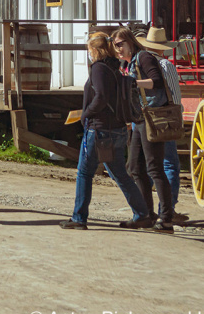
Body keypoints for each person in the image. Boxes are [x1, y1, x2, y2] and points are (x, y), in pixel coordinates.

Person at [61, 32, 152, 231]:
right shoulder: (116, 67)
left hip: (100, 129)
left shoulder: (99, 68)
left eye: (89, 50)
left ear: (95, 50)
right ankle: (142, 214)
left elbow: (101, 97)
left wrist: (86, 114)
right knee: (120, 173)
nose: (89, 54)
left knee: (85, 172)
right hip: (117, 128)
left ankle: (79, 218)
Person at [113, 27, 177, 233]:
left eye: (119, 44)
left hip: (151, 117)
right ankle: (146, 215)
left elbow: (156, 81)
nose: (118, 49)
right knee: (134, 167)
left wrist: (130, 82)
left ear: (130, 41)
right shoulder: (130, 62)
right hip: (139, 119)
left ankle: (166, 219)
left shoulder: (144, 57)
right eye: (115, 46)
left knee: (154, 168)